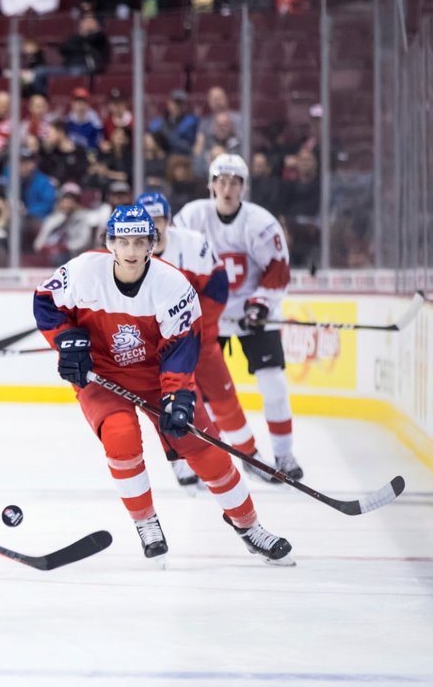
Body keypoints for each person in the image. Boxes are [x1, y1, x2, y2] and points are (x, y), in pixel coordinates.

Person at [32, 203, 293, 566]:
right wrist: (65, 339)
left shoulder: (172, 285)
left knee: (204, 447)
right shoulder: (82, 271)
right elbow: (45, 302)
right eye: (124, 242)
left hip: (156, 375)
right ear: (110, 243)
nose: (132, 251)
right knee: (121, 439)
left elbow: (181, 348)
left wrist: (178, 394)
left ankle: (249, 527)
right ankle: (146, 522)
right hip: (102, 375)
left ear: (152, 244)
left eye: (141, 242)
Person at [174, 153, 303, 480]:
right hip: (206, 314)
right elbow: (171, 266)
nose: (227, 188)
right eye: (221, 181)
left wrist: (260, 304)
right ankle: (200, 457)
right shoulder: (191, 218)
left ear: (244, 187)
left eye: (234, 182)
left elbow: (277, 271)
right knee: (194, 389)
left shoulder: (261, 223)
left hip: (250, 313)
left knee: (273, 384)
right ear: (211, 184)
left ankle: (284, 456)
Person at [136, 192, 275, 490]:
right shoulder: (129, 255)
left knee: (225, 399)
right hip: (160, 352)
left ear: (168, 220)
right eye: (148, 221)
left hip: (199, 340)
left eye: (158, 219)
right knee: (172, 406)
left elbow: (216, 289)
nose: (154, 226)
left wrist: (197, 328)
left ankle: (250, 455)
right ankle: (182, 462)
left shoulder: (192, 245)